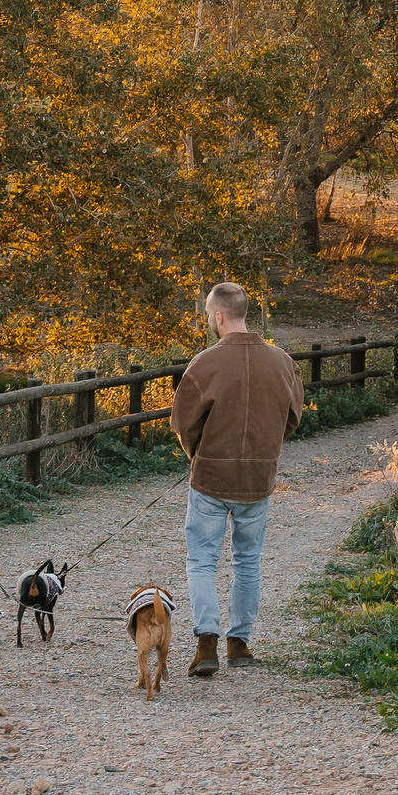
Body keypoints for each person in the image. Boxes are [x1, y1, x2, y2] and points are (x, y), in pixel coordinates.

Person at [169, 280, 303, 676]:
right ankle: (239, 643)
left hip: (210, 477)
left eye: (208, 316)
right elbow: (292, 418)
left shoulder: (204, 363)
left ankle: (206, 643)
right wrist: (265, 451)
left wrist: (197, 454)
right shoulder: (283, 363)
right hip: (258, 478)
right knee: (248, 560)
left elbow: (183, 423)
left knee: (201, 560)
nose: (209, 322)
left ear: (219, 316)